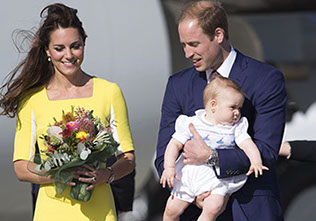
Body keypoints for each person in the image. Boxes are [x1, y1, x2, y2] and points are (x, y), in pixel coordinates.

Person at [0, 3, 135, 221]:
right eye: (59, 48)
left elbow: (128, 159)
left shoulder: (109, 92)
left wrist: (106, 175)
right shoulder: (31, 100)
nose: (69, 55)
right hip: (51, 212)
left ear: (84, 44)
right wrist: (59, 174)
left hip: (100, 211)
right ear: (47, 50)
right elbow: (21, 168)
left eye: (75, 46)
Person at [155, 0, 287, 220]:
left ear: (218, 35)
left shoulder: (265, 79)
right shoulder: (178, 85)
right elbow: (163, 155)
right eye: (183, 45)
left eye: (194, 44)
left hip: (249, 208)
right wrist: (194, 192)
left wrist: (212, 157)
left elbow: (266, 152)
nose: (187, 53)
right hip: (195, 208)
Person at [160, 76, 268, 221]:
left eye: (239, 108)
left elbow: (248, 145)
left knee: (213, 208)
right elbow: (174, 144)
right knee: (171, 209)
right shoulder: (193, 122)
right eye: (232, 107)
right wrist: (169, 167)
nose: (237, 112)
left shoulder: (235, 128)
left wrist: (256, 162)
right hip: (190, 175)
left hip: (217, 179)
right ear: (213, 105)